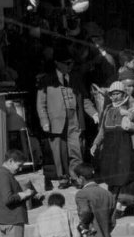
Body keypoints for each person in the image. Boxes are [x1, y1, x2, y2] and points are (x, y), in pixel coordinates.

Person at [37, 49, 100, 188]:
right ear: (57, 63)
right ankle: (63, 177)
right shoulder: (47, 80)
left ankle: (76, 177)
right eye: (67, 63)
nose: (70, 66)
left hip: (74, 119)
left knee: (76, 149)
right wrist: (44, 121)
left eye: (71, 63)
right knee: (59, 151)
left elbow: (84, 99)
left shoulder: (76, 78)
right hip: (56, 121)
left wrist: (94, 113)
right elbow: (41, 103)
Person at [90, 81, 134, 208]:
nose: (114, 97)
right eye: (112, 94)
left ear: (123, 93)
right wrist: (95, 144)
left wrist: (131, 114)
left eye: (117, 94)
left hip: (128, 146)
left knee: (127, 177)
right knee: (113, 176)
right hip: (111, 147)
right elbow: (103, 130)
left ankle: (126, 206)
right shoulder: (108, 109)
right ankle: (113, 203)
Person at [72, 163, 117, 237]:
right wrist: (103, 231)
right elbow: (113, 221)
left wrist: (84, 227)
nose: (76, 181)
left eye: (76, 178)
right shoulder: (108, 194)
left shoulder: (82, 194)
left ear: (81, 178)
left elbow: (85, 212)